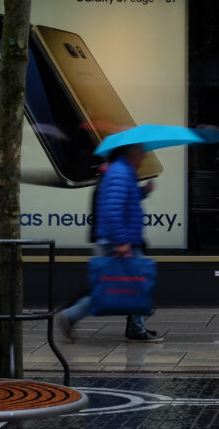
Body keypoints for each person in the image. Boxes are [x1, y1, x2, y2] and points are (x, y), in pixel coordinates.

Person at [57, 143, 161, 342]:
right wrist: (122, 241)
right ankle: (136, 329)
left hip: (121, 241)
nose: (144, 159)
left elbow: (125, 200)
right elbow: (113, 209)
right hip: (118, 243)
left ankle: (71, 316)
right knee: (134, 284)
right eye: (142, 155)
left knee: (117, 286)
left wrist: (143, 192)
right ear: (132, 153)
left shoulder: (122, 171)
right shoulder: (120, 172)